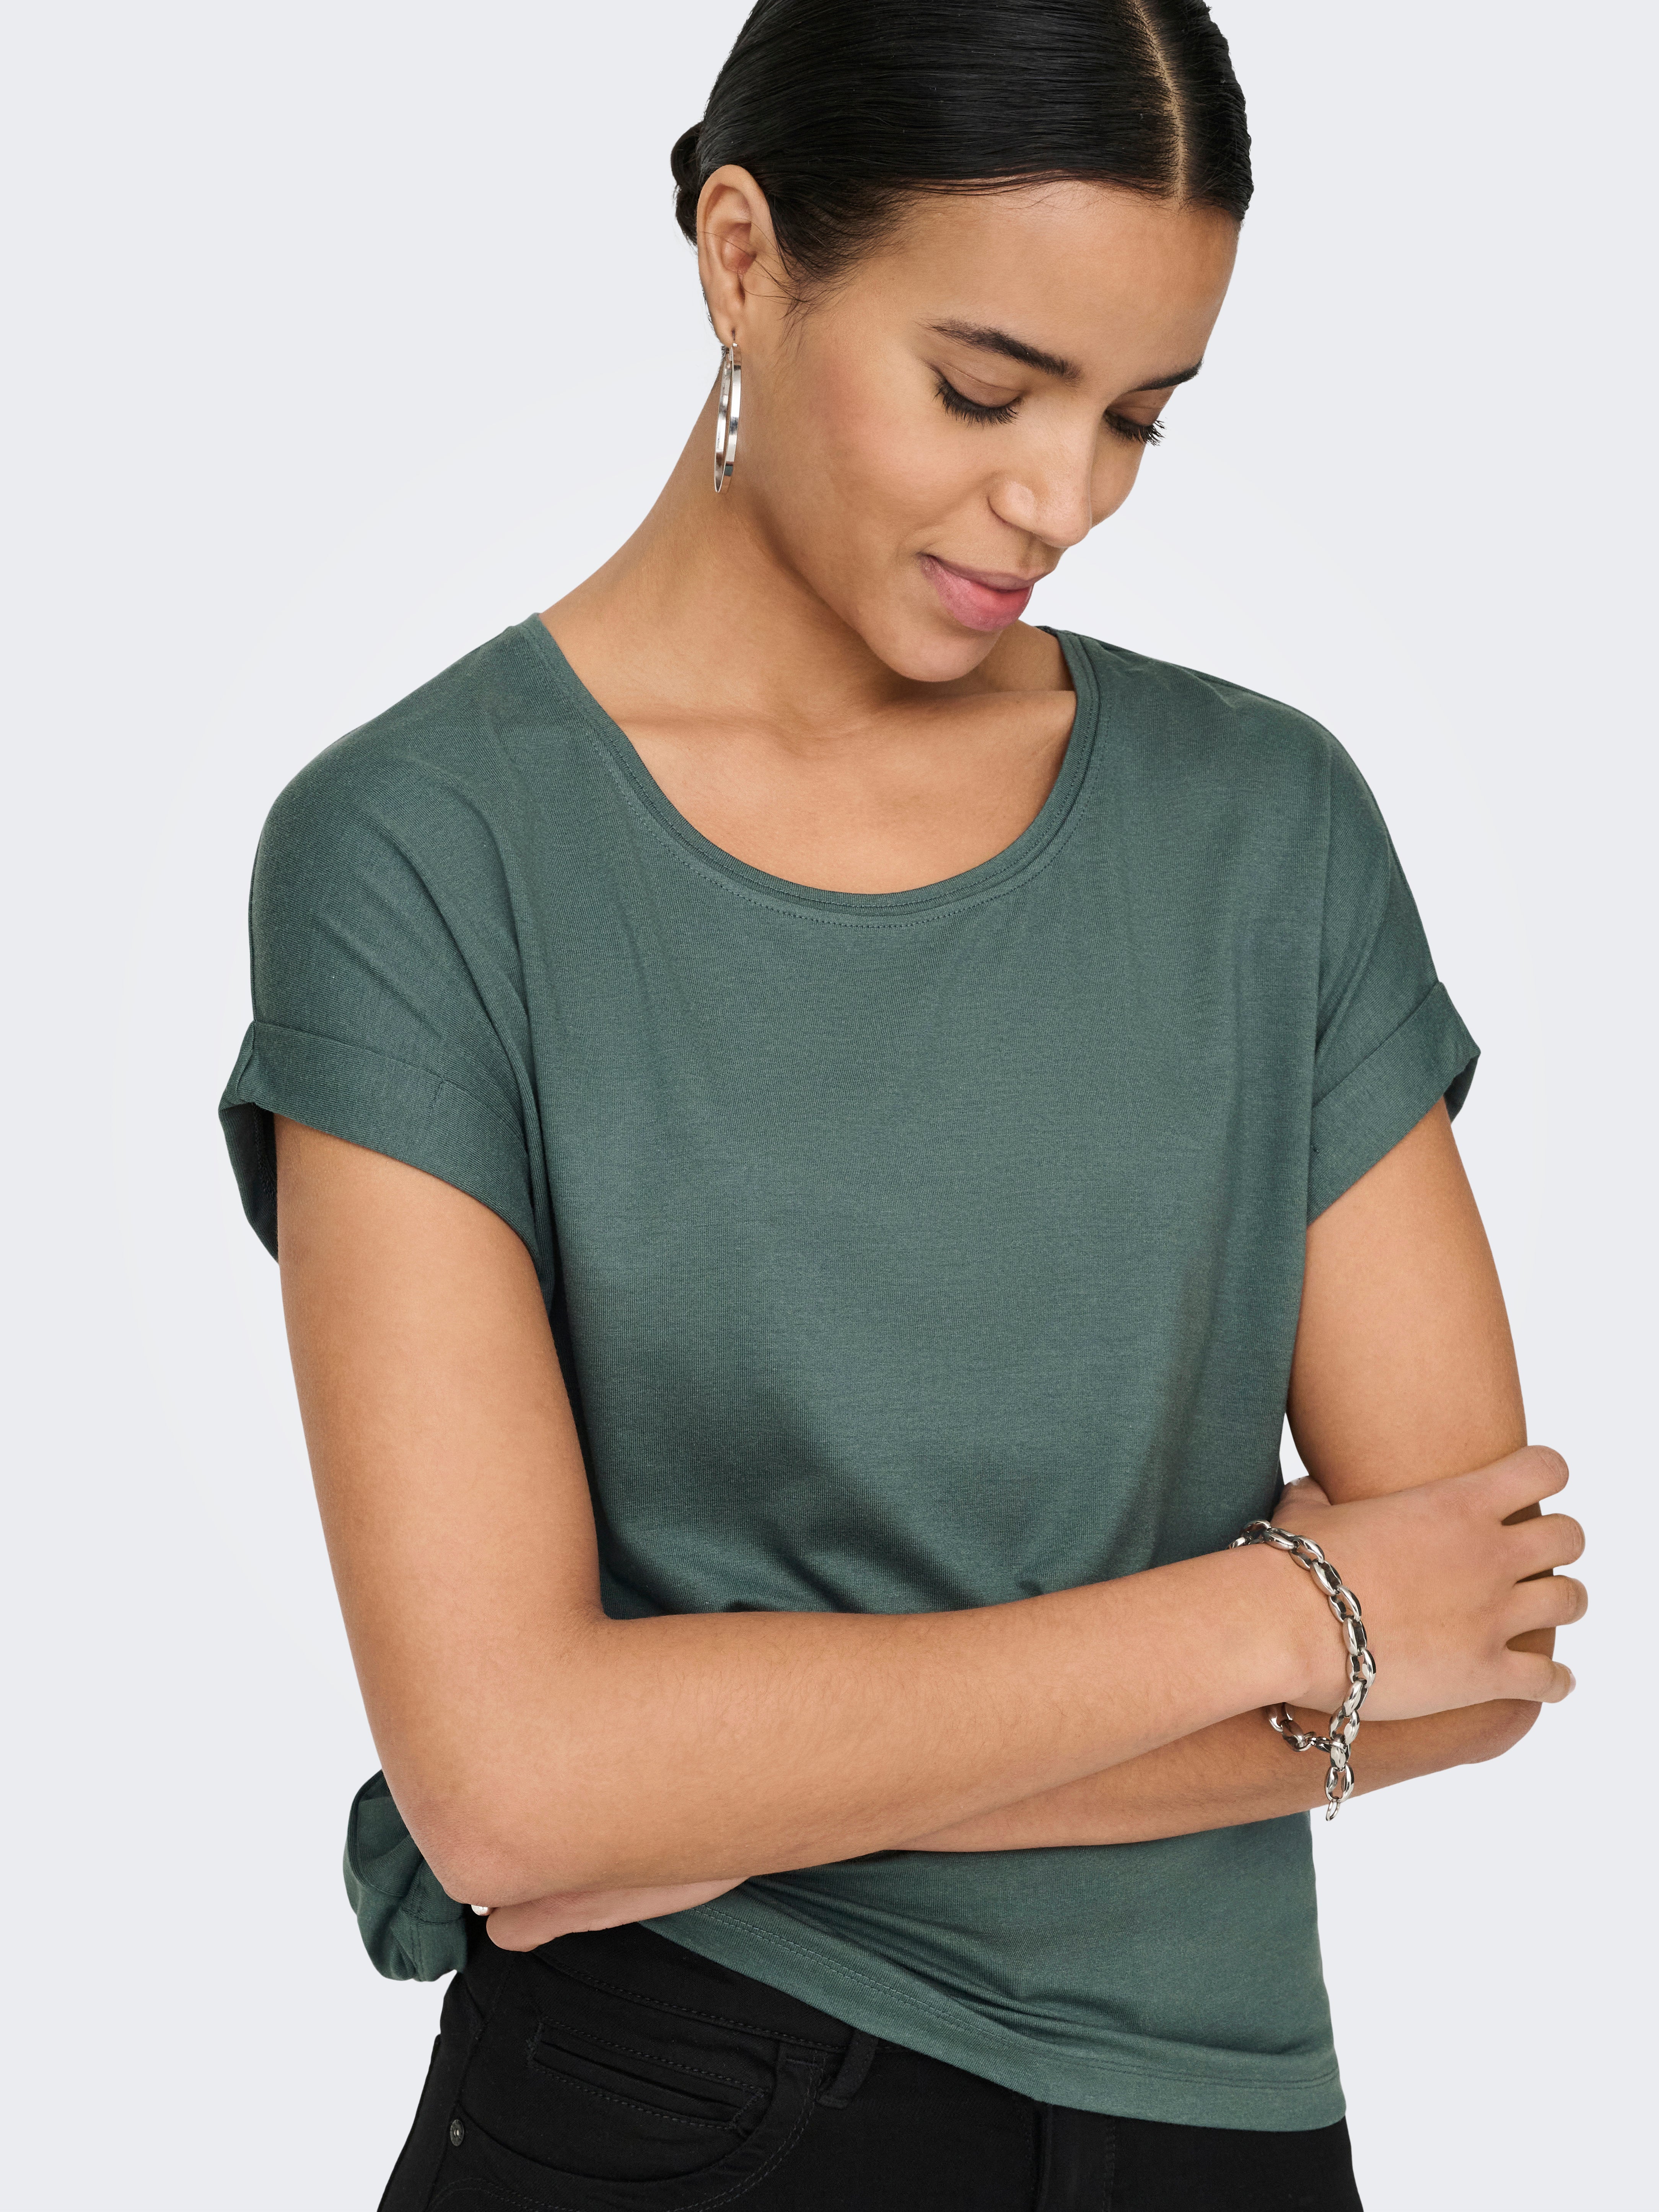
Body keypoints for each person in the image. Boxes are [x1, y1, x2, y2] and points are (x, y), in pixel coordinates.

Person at [219, 3, 1587, 2205]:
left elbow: (1474, 1645)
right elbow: (511, 1786)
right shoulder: (424, 852)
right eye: (982, 386)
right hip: (664, 2108)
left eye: (1136, 416)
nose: (1063, 499)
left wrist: (686, 1787)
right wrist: (1273, 1618)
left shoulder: (1265, 829)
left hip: (1226, 2135)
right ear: (744, 258)